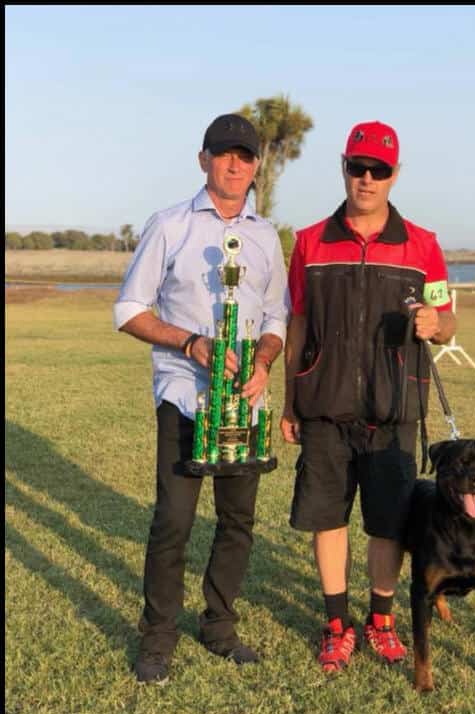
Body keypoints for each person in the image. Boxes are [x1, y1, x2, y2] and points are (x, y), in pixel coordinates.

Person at [114, 113, 288, 684]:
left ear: (256, 165)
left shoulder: (264, 236)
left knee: (238, 522)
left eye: (244, 155)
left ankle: (219, 628)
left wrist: (262, 359)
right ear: (203, 159)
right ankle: (158, 639)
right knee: (173, 521)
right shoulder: (170, 226)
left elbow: (277, 316)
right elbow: (130, 312)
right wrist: (192, 344)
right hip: (186, 398)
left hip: (246, 405)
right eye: (223, 153)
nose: (234, 164)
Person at [280, 120, 456, 672]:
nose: (367, 179)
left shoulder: (423, 244)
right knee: (327, 519)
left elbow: (447, 320)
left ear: (394, 174)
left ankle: (382, 620)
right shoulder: (309, 241)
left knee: (387, 524)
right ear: (343, 168)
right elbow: (298, 322)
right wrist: (289, 400)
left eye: (379, 170)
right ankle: (337, 624)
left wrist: (437, 323)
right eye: (358, 168)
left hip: (395, 407)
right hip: (325, 407)